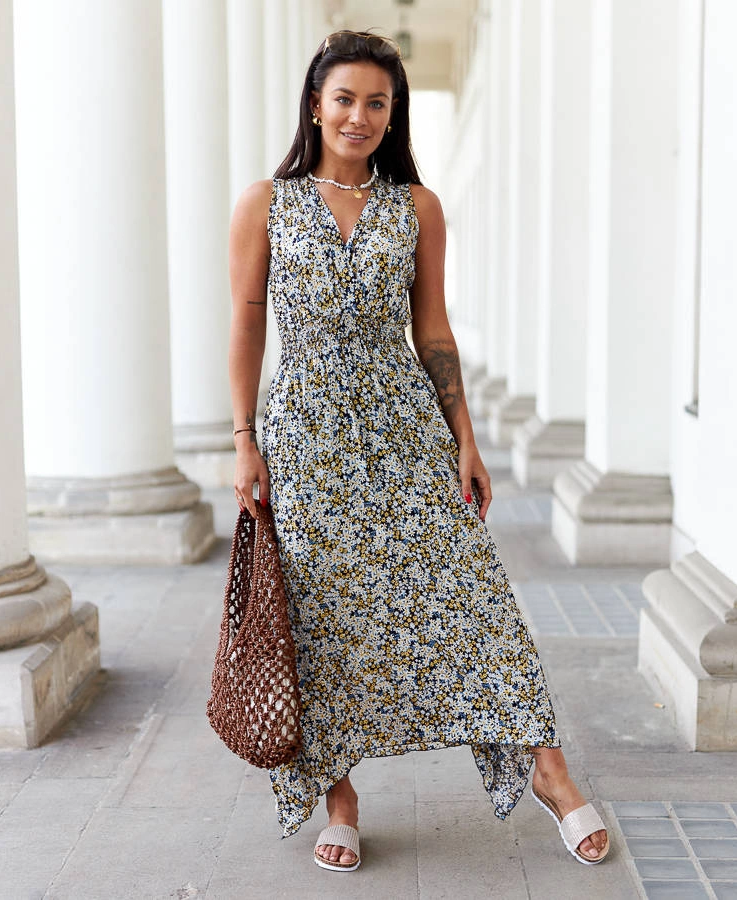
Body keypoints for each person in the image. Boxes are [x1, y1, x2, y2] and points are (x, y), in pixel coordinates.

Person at [227, 30, 609, 873]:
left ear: (393, 114)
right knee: (321, 615)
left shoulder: (417, 207)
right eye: (345, 99)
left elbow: (432, 330)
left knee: (475, 594)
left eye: (377, 103)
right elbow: (247, 325)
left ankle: (548, 770)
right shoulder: (265, 203)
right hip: (305, 436)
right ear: (315, 105)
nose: (359, 116)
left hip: (406, 429)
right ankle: (340, 797)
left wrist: (466, 439)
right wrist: (244, 440)